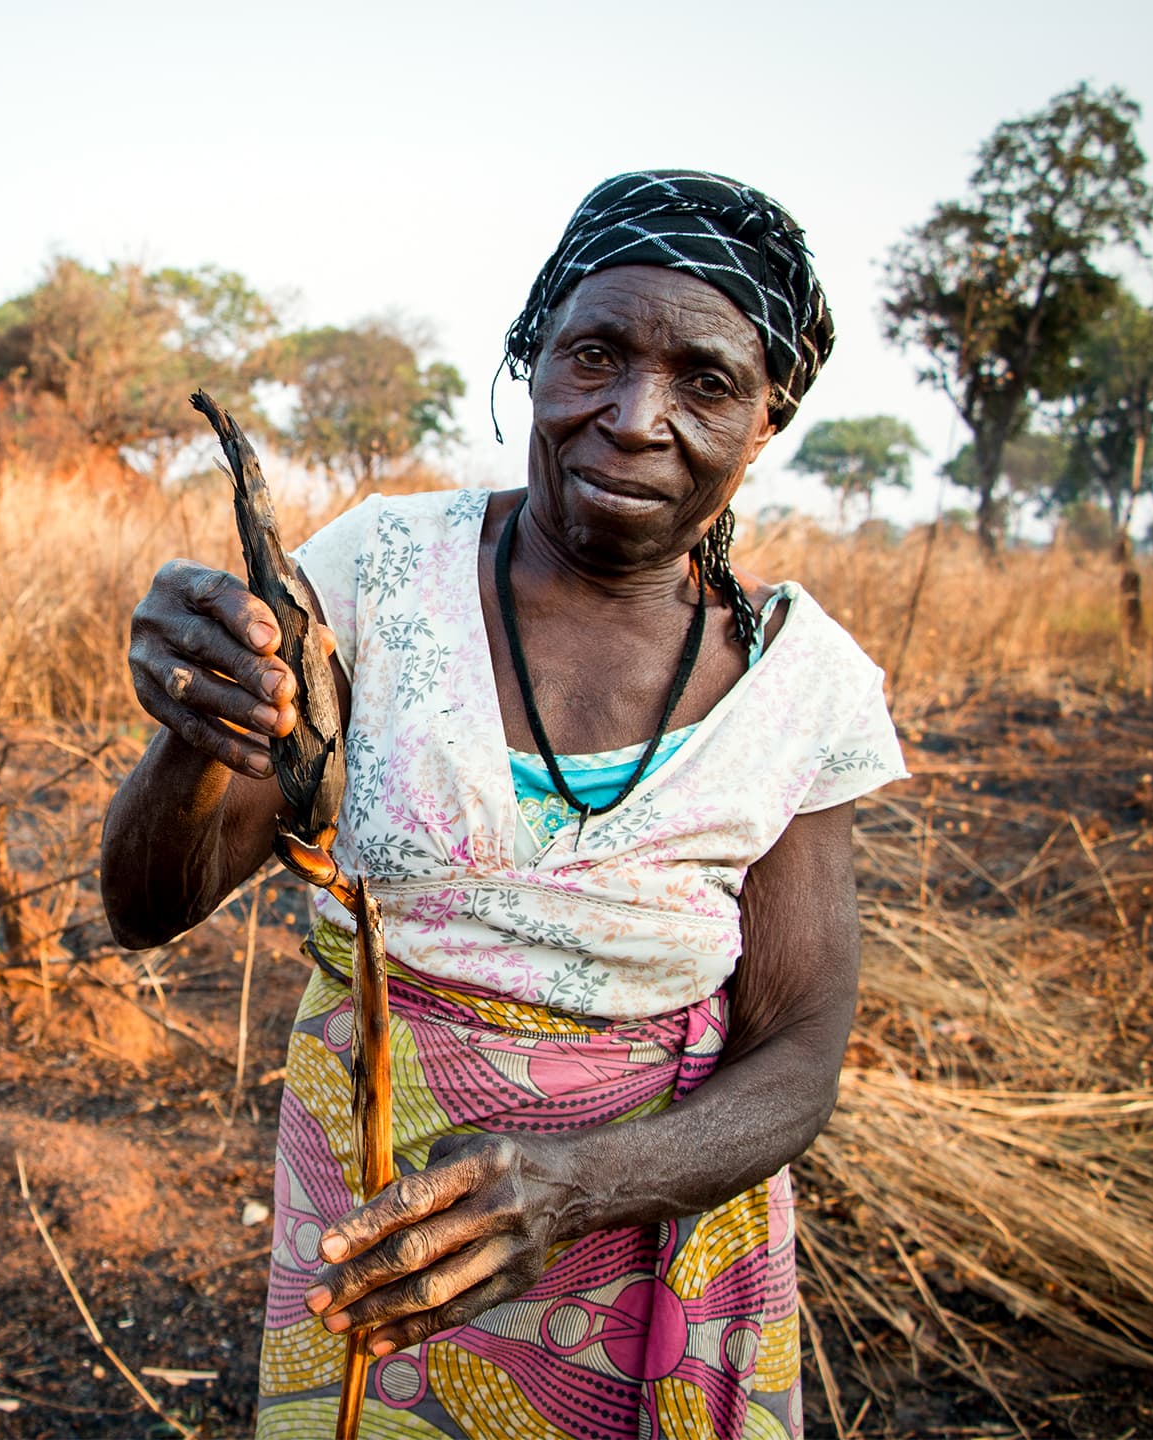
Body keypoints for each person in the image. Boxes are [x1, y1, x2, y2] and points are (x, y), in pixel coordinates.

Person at [101, 171, 907, 1440]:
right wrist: (198, 731)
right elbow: (148, 907)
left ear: (768, 421)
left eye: (705, 382)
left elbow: (799, 1056)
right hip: (381, 1239)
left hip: (657, 1253)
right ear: (532, 357)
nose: (633, 419)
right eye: (596, 354)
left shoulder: (801, 685)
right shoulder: (380, 576)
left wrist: (578, 1187)